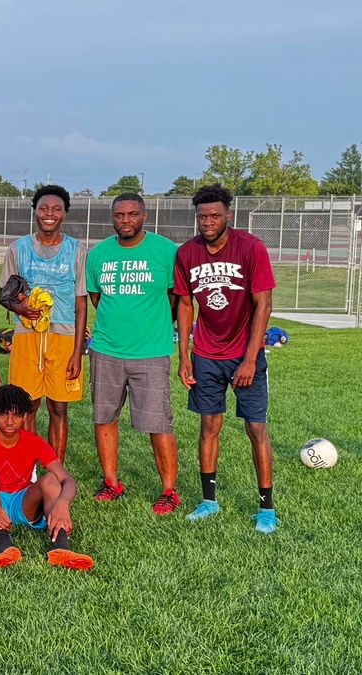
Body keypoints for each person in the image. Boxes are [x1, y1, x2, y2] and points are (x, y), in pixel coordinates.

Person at [175, 184, 278, 533]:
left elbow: (263, 303)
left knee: (256, 428)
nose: (208, 222)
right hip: (205, 353)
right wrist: (184, 355)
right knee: (208, 426)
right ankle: (208, 501)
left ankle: (266, 508)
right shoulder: (188, 252)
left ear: (228, 215)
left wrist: (251, 359)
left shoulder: (250, 247)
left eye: (215, 215)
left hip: (244, 353)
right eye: (202, 216)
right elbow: (186, 303)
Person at [86, 193, 181, 514]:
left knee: (158, 423)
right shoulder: (98, 254)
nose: (125, 220)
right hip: (106, 349)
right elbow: (97, 298)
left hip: (151, 352)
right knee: (104, 418)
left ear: (145, 216)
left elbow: (174, 297)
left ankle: (169, 490)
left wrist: (147, 325)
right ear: (112, 218)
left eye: (132, 214)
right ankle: (111, 482)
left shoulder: (167, 251)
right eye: (119, 215)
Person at [0, 384, 93, 570]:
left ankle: (61, 548)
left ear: (25, 416)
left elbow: (68, 480)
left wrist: (63, 503)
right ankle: (4, 546)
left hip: (21, 502)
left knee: (50, 480)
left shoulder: (34, 442)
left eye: (16, 415)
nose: (9, 421)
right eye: (4, 414)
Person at [0, 185, 88, 460]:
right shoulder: (19, 248)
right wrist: (20, 307)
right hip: (27, 336)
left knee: (59, 407)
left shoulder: (76, 250)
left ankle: (55, 468)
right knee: (28, 405)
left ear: (65, 214)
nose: (49, 214)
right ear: (35, 212)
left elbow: (81, 302)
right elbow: (4, 295)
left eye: (56, 209)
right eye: (44, 209)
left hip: (63, 337)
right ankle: (30, 466)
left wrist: (77, 351)